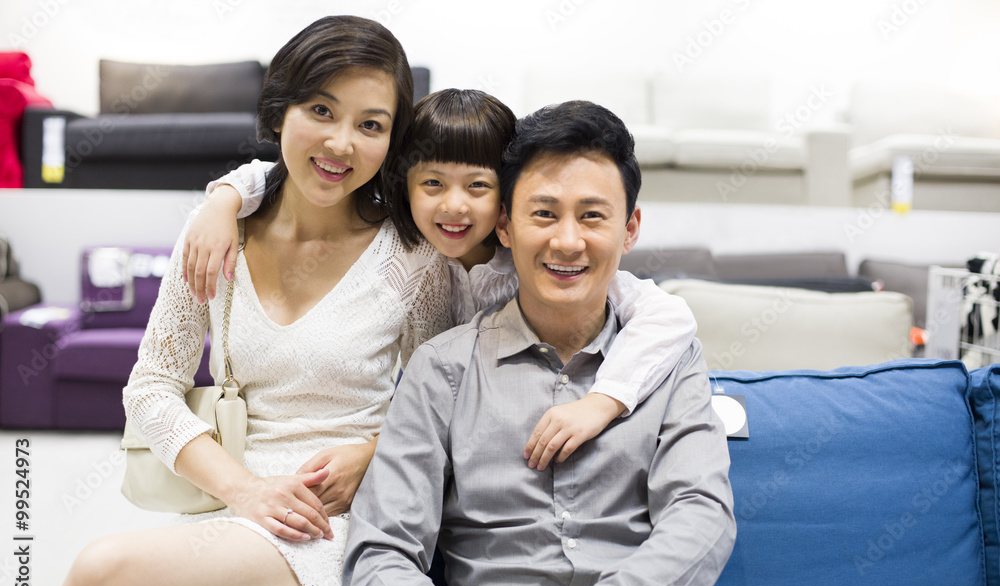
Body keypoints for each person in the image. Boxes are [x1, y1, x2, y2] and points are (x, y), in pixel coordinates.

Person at [44, 16, 451, 586]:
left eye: (371, 125)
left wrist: (372, 453)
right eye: (321, 109)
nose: (342, 142)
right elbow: (151, 387)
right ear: (281, 108)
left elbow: (454, 402)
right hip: (229, 511)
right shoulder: (216, 231)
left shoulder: (411, 256)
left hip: (339, 525)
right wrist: (242, 489)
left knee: (100, 572)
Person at [342, 101, 752, 586]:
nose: (566, 241)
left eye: (591, 216)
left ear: (629, 229)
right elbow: (379, 557)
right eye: (543, 214)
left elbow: (701, 515)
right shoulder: (443, 369)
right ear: (505, 226)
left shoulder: (668, 361)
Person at [183, 89, 698, 470]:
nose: (453, 206)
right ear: (403, 189)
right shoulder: (405, 248)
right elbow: (283, 177)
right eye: (432, 184)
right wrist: (225, 196)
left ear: (508, 202)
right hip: (435, 433)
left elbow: (668, 313)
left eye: (478, 186)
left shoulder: (536, 258)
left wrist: (604, 400)